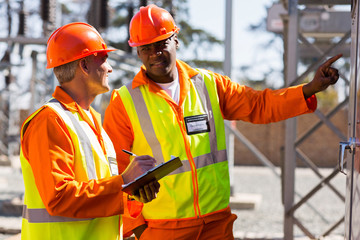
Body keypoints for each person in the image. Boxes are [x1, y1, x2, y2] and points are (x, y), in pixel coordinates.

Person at [103, 4, 341, 240]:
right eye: (146, 48)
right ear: (138, 51)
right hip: (162, 229)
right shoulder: (124, 102)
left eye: (161, 43)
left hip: (216, 226)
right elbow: (113, 172)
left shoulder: (209, 85)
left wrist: (310, 88)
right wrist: (137, 228)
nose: (154, 53)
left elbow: (260, 105)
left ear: (175, 40)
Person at [19, 22, 160, 240]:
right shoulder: (50, 121)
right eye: (103, 59)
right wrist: (123, 181)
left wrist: (133, 192)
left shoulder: (91, 122)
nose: (110, 68)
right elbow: (59, 198)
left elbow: (99, 193)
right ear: (84, 65)